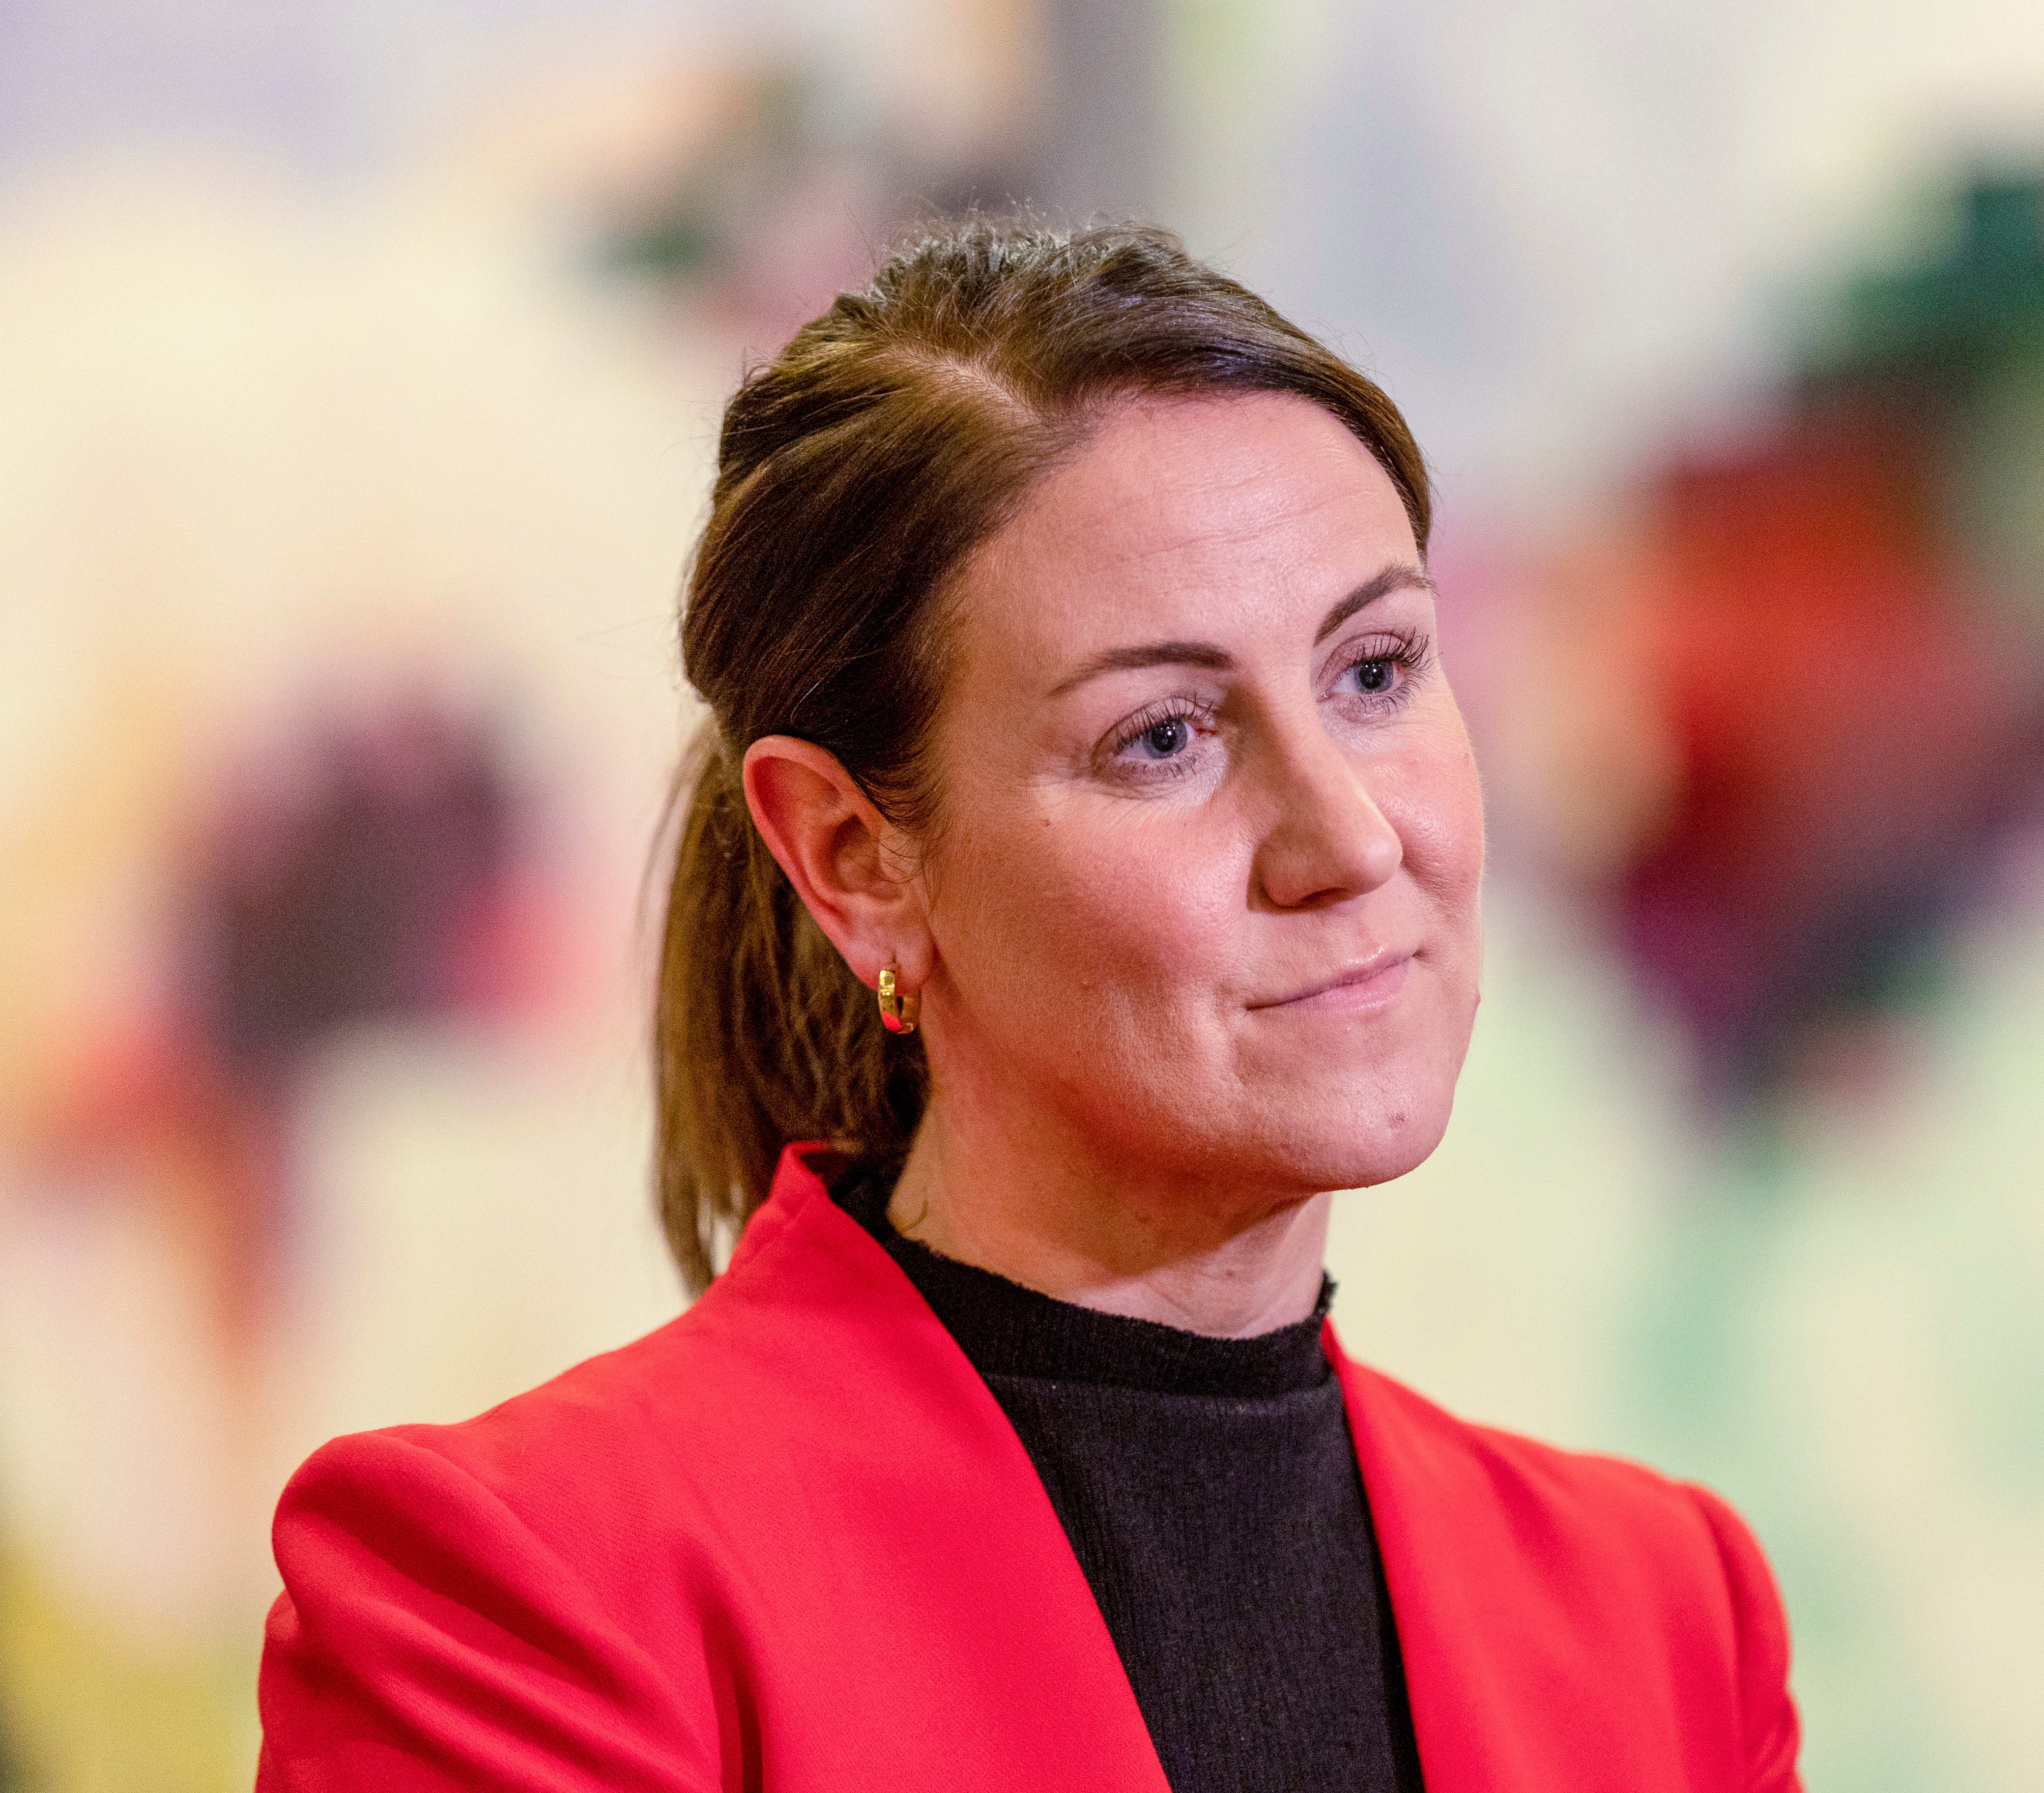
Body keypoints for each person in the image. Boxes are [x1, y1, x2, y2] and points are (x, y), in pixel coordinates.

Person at [255, 220, 1803, 1793]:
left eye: (1377, 672)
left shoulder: (1668, 1618)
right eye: (1164, 737)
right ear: (852, 857)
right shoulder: (523, 1598)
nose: (1350, 840)